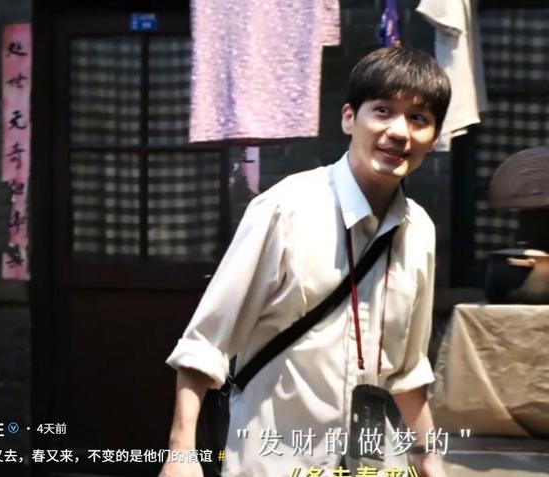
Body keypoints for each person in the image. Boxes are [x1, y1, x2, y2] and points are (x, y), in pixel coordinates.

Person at [159, 46, 451, 477]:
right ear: (349, 118)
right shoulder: (284, 210)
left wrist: (429, 458)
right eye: (383, 111)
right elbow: (205, 344)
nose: (399, 131)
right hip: (276, 461)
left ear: (435, 135)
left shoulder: (419, 231)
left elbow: (407, 372)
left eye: (418, 118)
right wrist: (180, 452)